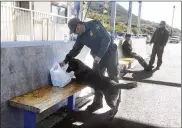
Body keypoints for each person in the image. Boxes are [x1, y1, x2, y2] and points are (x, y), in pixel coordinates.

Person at [59, 18, 135, 113]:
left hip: (110, 53)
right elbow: (75, 50)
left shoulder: (94, 24)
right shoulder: (80, 38)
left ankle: (115, 101)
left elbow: (106, 39)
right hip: (98, 58)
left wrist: (99, 56)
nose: (75, 33)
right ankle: (98, 103)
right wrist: (65, 61)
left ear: (78, 26)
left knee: (113, 76)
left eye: (74, 31)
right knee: (97, 79)